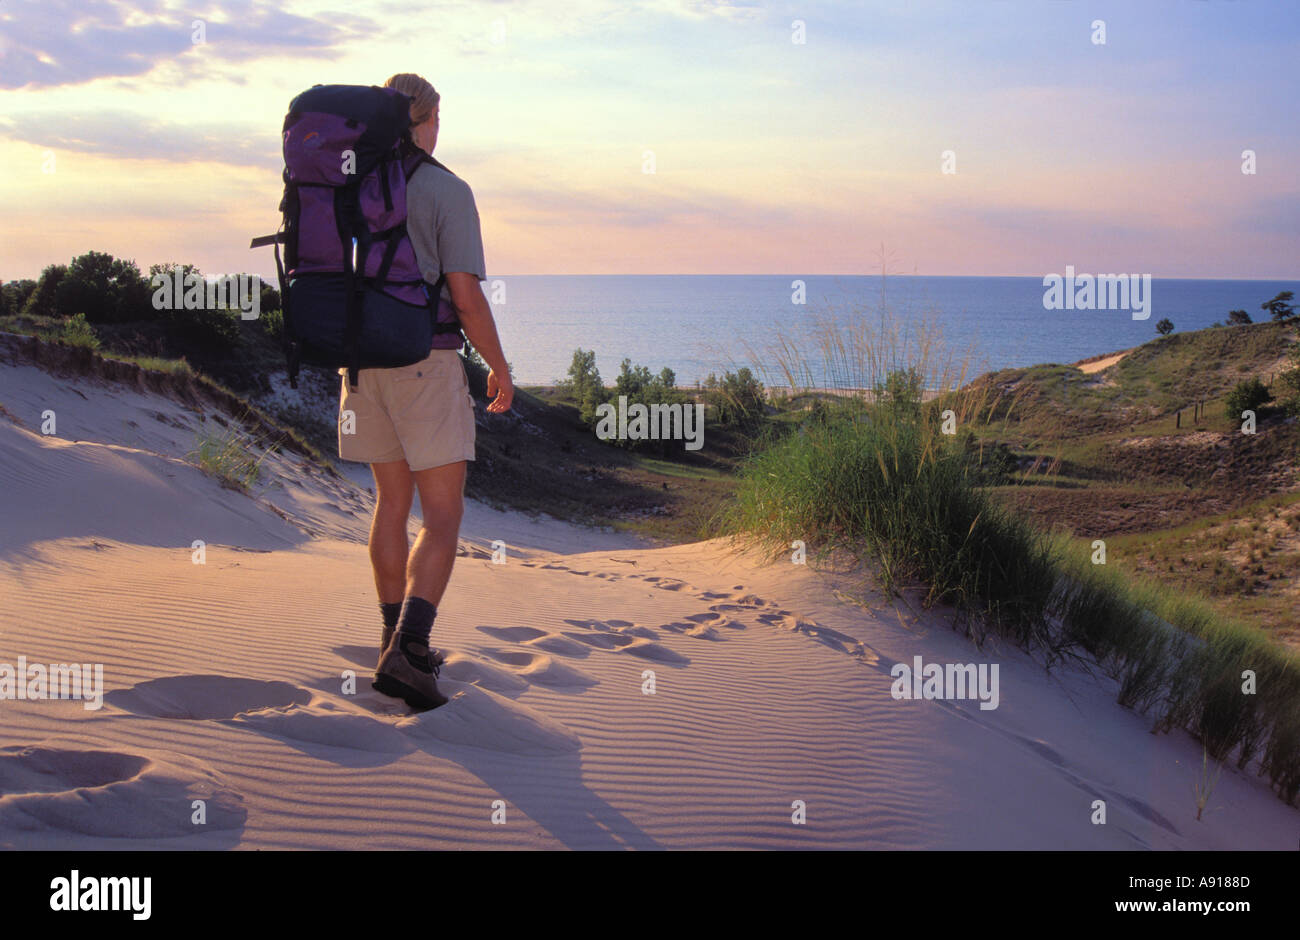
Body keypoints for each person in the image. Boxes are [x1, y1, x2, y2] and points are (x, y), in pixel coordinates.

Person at [336, 71, 513, 711]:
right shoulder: (445, 188)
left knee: (391, 504)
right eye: (439, 119)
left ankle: (391, 641)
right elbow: (466, 298)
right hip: (425, 362)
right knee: (443, 517)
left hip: (360, 367)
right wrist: (499, 366)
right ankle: (409, 654)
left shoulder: (348, 182)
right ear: (427, 118)